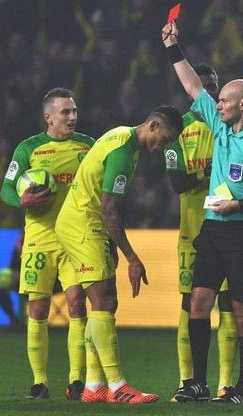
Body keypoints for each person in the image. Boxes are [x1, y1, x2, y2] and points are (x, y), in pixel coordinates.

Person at [162, 22, 243, 404]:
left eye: (224, 101)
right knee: (198, 303)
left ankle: (242, 390)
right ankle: (197, 384)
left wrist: (242, 204)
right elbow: (191, 86)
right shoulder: (219, 125)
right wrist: (172, 47)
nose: (217, 105)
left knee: (242, 313)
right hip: (214, 229)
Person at [55, 104, 184, 404]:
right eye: (165, 138)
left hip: (81, 221)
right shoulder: (124, 153)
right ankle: (118, 386)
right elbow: (109, 209)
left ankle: (94, 385)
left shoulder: (121, 135)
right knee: (105, 301)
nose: (164, 145)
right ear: (153, 125)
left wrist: (111, 244)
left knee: (101, 303)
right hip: (84, 224)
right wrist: (132, 257)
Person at [0, 87, 94, 400]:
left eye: (74, 111)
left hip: (76, 238)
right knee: (37, 308)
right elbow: (6, 190)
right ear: (49, 117)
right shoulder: (28, 149)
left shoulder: (88, 145)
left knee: (77, 304)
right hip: (39, 238)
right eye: (66, 112)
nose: (72, 116)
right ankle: (39, 382)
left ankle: (76, 380)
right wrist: (22, 200)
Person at [164, 63, 238, 402]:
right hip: (192, 232)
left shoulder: (231, 126)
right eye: (202, 85)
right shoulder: (178, 131)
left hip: (227, 229)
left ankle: (225, 384)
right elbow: (176, 182)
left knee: (228, 304)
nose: (208, 92)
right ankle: (187, 380)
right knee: (189, 304)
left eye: (213, 86)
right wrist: (203, 174)